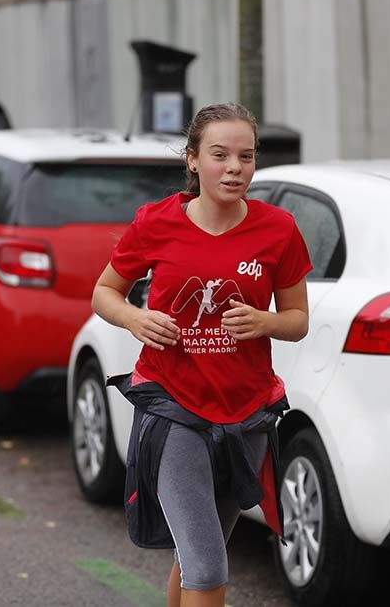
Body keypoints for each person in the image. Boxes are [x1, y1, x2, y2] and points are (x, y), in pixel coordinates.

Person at [91, 102, 312, 607]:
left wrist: (265, 322)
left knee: (195, 558)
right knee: (207, 562)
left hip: (247, 417)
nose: (234, 168)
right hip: (175, 409)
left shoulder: (278, 229)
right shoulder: (156, 222)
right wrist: (134, 317)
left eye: (246, 156)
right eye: (220, 155)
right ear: (192, 160)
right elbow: (105, 292)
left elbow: (297, 320)